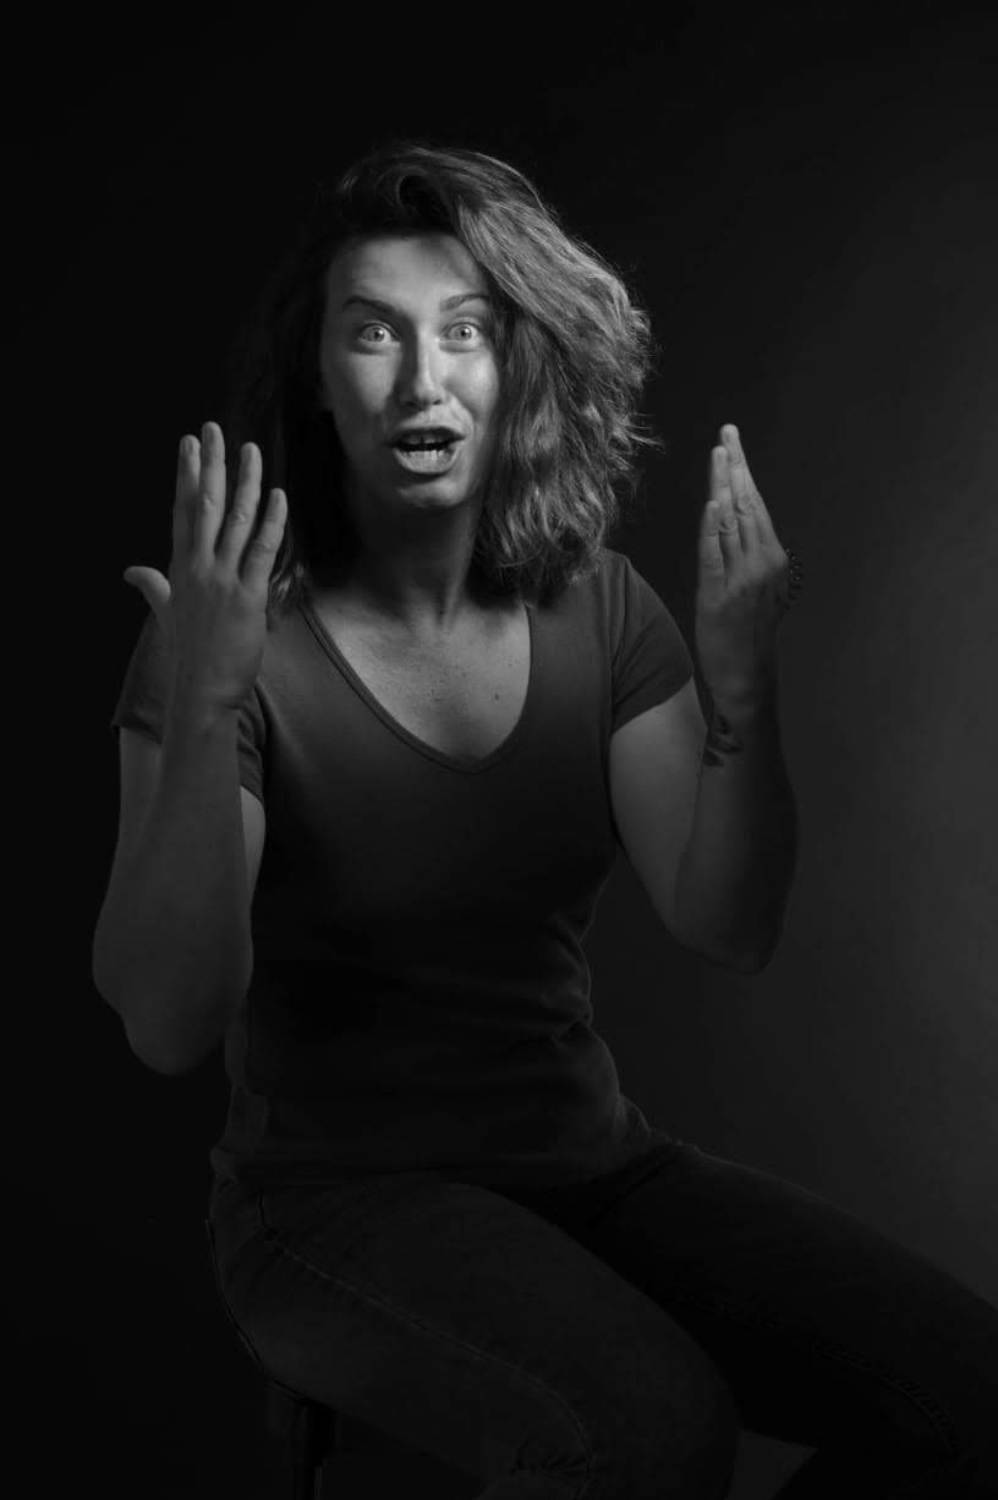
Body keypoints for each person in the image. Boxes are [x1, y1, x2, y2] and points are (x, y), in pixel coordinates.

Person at [93, 141, 998, 1498]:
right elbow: (167, 1021)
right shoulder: (235, 639)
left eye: (464, 331)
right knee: (647, 1430)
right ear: (317, 379)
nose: (422, 377)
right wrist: (208, 697)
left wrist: (744, 695)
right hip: (329, 1208)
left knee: (972, 1396)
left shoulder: (600, 607)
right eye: (373, 335)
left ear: (515, 366)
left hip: (590, 1169)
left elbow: (726, 921)